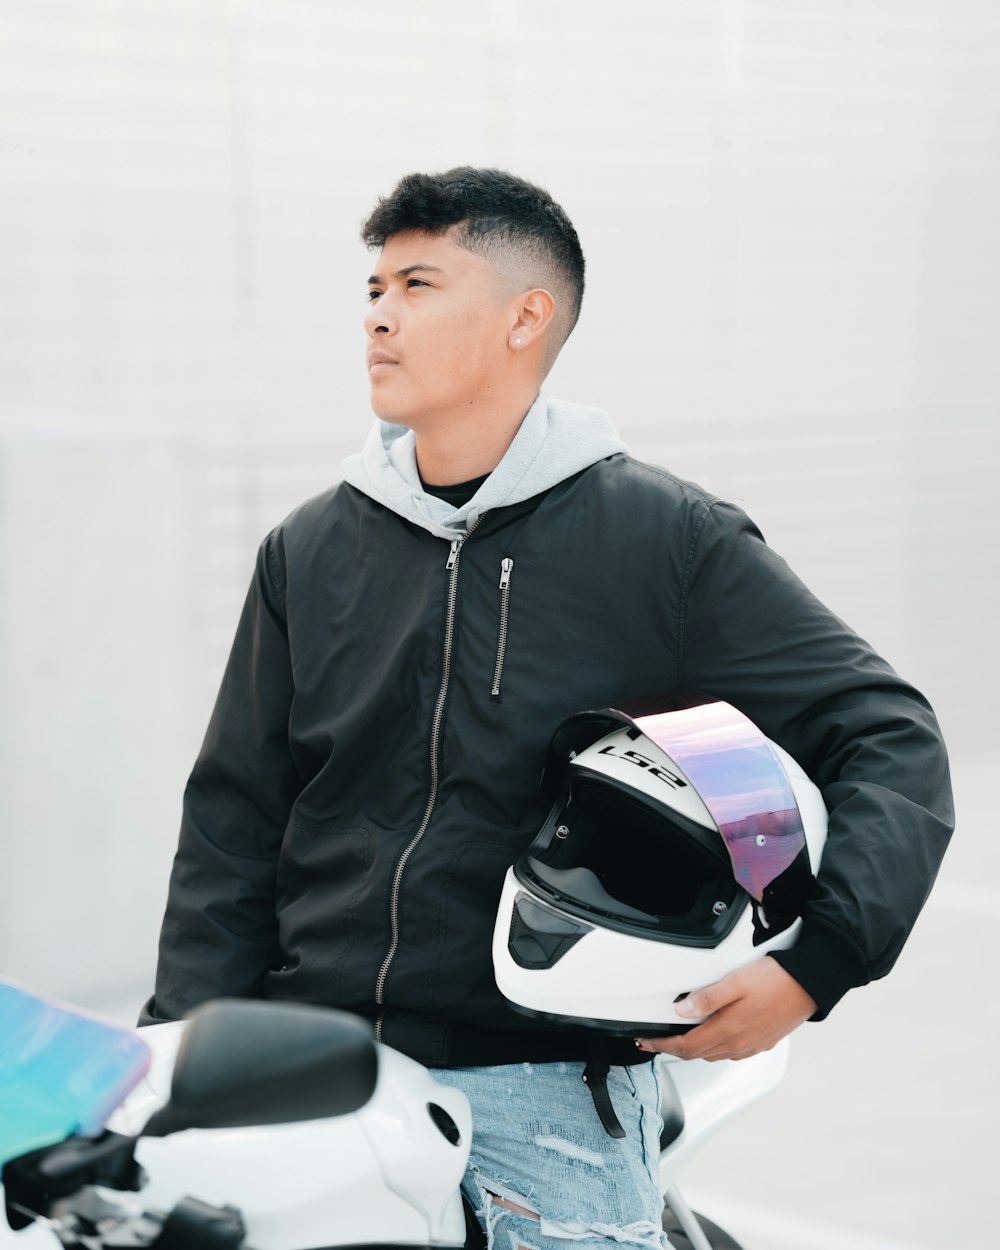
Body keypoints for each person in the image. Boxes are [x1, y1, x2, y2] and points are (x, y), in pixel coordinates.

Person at [140, 168, 954, 1249]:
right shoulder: (310, 547)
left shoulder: (665, 540)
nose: (379, 313)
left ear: (529, 314)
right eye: (374, 286)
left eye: (419, 283)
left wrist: (820, 961)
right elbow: (236, 815)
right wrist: (179, 1051)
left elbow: (888, 736)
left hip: (542, 1088)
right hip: (317, 1066)